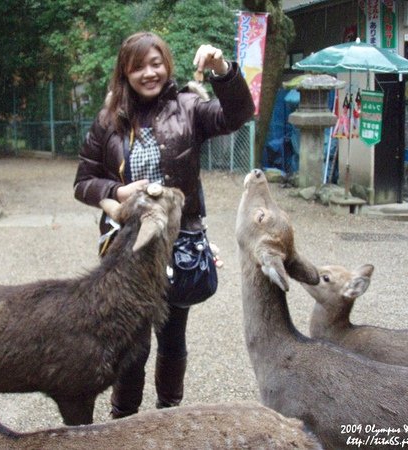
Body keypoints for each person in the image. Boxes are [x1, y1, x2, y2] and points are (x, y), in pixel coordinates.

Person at [73, 31, 254, 419]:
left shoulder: (189, 107)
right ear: (125, 72)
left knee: (172, 336)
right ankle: (124, 419)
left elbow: (237, 115)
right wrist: (116, 193)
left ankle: (168, 415)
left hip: (178, 242)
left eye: (156, 63)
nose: (149, 73)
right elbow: (82, 182)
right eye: (138, 66)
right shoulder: (108, 120)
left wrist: (223, 70)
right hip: (126, 248)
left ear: (167, 65)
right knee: (131, 344)